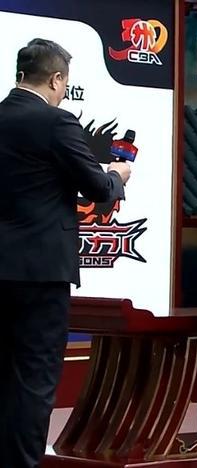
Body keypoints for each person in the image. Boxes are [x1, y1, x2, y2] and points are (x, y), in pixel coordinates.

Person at [0, 38, 131, 468]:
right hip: (40, 272)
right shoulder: (56, 122)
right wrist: (118, 175)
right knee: (34, 378)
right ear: (57, 79)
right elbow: (97, 188)